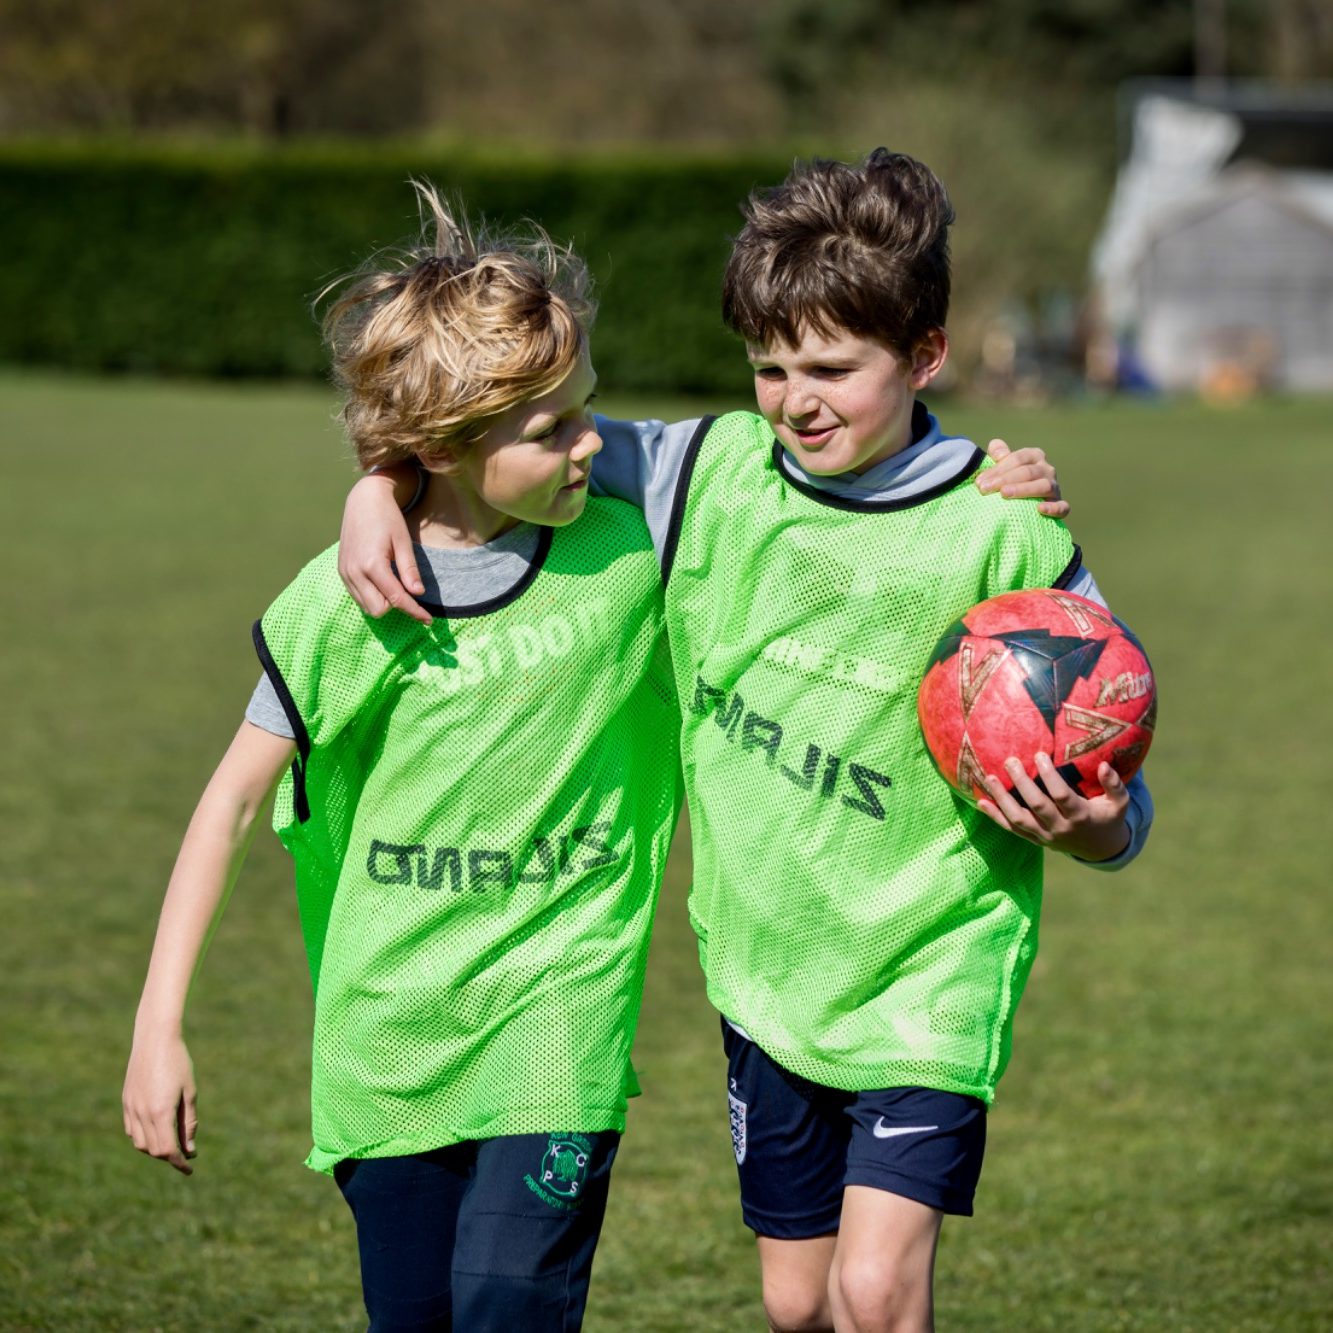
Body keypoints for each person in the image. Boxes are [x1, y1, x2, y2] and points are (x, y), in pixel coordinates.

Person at [337, 151, 1154, 1333]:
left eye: (832, 368)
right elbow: (487, 425)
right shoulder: (702, 475)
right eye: (769, 368)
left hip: (928, 974)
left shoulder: (1005, 531)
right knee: (796, 1302)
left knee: (876, 1293)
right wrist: (382, 477)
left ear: (924, 356)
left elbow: (1116, 760)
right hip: (768, 978)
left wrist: (1100, 828)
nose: (794, 399)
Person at [121, 183, 682, 1332]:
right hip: (390, 1035)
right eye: (550, 429)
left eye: (587, 408)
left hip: (558, 1017)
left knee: (504, 1303)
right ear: (442, 446)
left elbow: (812, 487)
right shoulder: (346, 603)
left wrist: (978, 477)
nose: (591, 441)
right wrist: (156, 1025)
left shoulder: (636, 551)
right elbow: (229, 802)